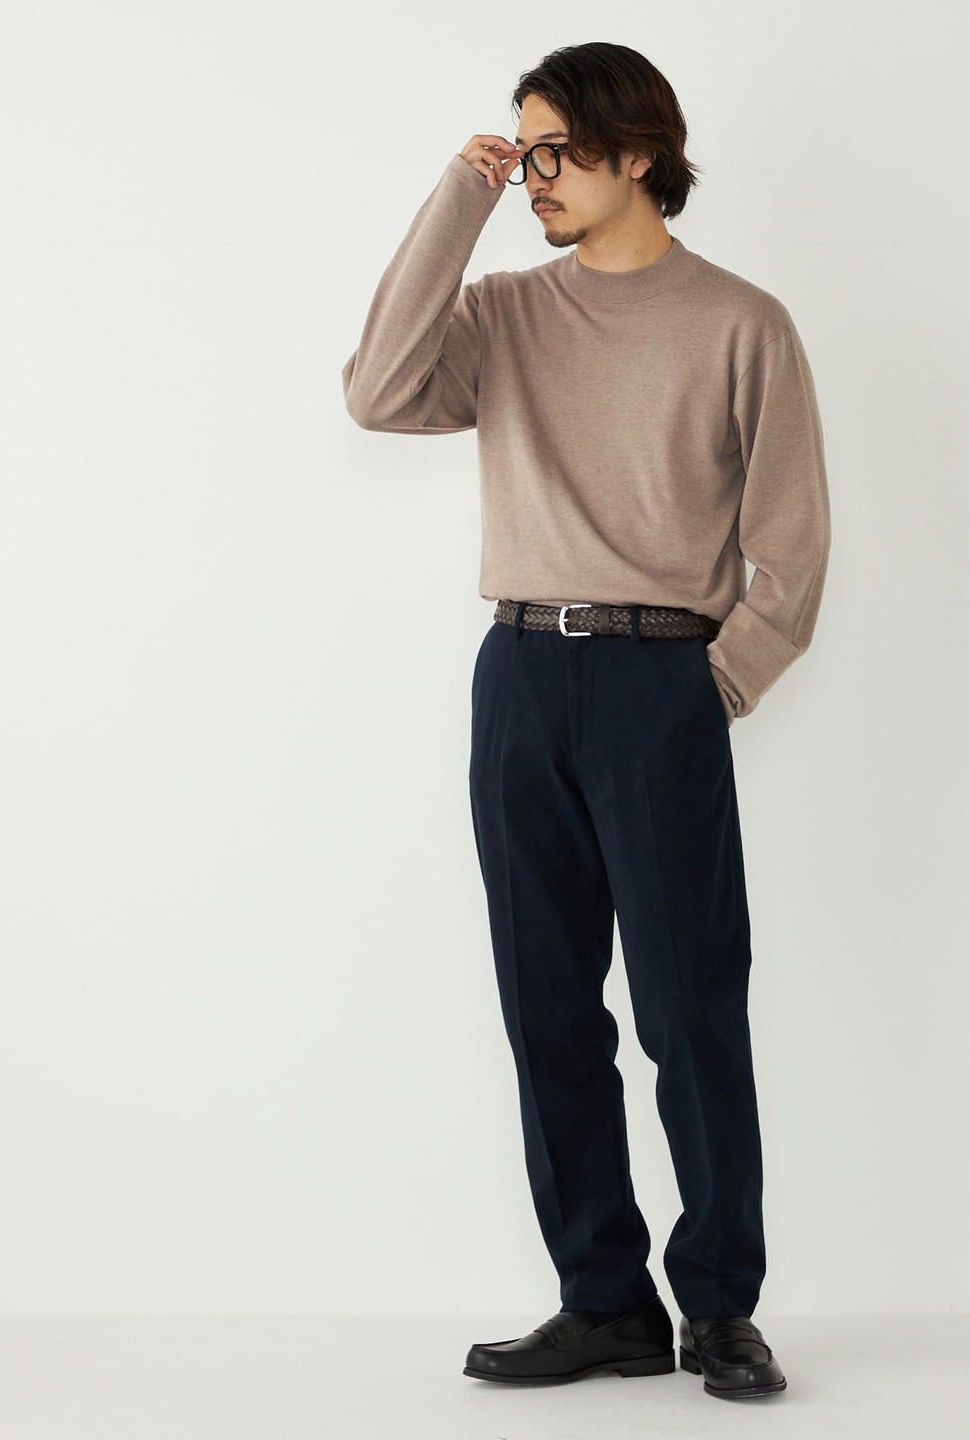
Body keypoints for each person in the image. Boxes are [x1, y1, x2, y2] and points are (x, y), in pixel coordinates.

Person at [341, 41, 830, 1401]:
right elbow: (377, 392)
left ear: (638, 154)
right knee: (547, 1006)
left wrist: (708, 688)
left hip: (658, 681)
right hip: (518, 677)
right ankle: (603, 1300)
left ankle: (719, 1305)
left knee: (688, 1008)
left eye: (553, 151)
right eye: (524, 151)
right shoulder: (503, 313)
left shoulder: (742, 323)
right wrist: (462, 191)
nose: (534, 176)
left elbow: (792, 547)